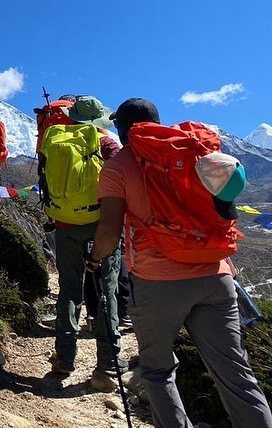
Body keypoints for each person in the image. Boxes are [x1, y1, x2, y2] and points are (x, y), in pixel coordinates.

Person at [91, 98, 272, 428]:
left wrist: (95, 259)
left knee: (158, 372)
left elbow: (109, 230)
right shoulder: (194, 152)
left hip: (157, 281)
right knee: (236, 374)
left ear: (121, 129)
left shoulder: (118, 166)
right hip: (215, 274)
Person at [38, 95, 124, 389]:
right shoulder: (107, 143)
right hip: (101, 223)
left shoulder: (54, 139)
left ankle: (64, 358)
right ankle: (107, 364)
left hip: (65, 225)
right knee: (107, 290)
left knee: (70, 290)